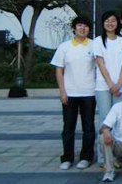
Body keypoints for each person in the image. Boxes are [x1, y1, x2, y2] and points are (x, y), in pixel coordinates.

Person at [51, 16, 96, 170]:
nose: (82, 28)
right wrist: (62, 92)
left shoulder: (94, 45)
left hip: (89, 92)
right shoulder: (64, 47)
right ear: (74, 28)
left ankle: (86, 157)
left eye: (85, 26)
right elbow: (59, 70)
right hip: (70, 93)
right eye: (79, 26)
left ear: (89, 29)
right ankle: (67, 157)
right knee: (68, 127)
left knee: (88, 128)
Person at [94, 11, 122, 166]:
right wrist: (110, 84)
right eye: (107, 21)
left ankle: (115, 156)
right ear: (103, 23)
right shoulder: (98, 41)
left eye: (113, 21)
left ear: (118, 23)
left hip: (120, 86)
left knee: (117, 121)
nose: (110, 23)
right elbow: (100, 63)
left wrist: (119, 83)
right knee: (104, 120)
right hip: (103, 86)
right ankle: (103, 157)